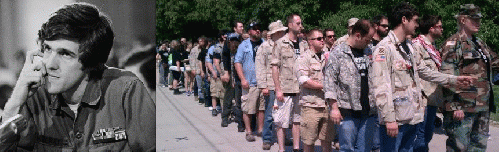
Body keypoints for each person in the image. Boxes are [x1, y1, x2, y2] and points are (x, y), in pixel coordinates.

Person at [0, 3, 155, 151]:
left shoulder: (126, 90)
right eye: (47, 49)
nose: (49, 63)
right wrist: (14, 103)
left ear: (91, 61)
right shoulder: (34, 97)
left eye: (65, 54)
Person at [370, 2, 473, 151]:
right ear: (404, 20)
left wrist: (454, 80)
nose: (417, 25)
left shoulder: (409, 47)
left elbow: (425, 72)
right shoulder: (384, 48)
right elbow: (380, 87)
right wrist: (389, 119)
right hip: (396, 120)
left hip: (412, 116)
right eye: (415, 21)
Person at [439, 4, 499, 151]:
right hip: (462, 108)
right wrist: (454, 106)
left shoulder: (479, 43)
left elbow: (495, 62)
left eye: (479, 20)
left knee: (478, 147)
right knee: (459, 147)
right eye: (474, 19)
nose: (478, 23)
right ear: (463, 20)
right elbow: (447, 77)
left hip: (482, 106)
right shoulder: (453, 44)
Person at [325, 19, 377, 152]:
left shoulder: (369, 51)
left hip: (369, 110)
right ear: (358, 35)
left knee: (365, 148)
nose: (370, 42)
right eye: (368, 39)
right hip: (347, 111)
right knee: (347, 148)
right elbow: (330, 82)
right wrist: (334, 108)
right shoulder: (338, 53)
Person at [271, 13, 309, 152]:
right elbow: (275, 67)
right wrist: (278, 89)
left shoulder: (303, 44)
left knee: (297, 121)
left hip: (300, 89)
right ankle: (282, 149)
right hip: (285, 89)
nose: (300, 25)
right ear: (290, 25)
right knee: (281, 122)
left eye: (300, 23)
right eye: (298, 23)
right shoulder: (280, 43)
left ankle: (296, 148)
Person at [296, 28, 335, 152]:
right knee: (309, 142)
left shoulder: (329, 56)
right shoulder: (303, 58)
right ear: (310, 41)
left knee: (327, 140)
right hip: (311, 106)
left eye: (322, 38)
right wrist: (325, 86)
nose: (322, 40)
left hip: (327, 105)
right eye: (318, 38)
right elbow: (304, 80)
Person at [411, 15, 444, 152]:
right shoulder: (417, 45)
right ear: (431, 28)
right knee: (421, 138)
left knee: (427, 135)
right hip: (422, 100)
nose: (442, 29)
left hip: (432, 99)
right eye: (440, 26)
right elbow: (416, 73)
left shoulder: (433, 47)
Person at [255, 20, 287, 150]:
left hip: (285, 84)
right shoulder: (264, 47)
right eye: (280, 32)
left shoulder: (285, 45)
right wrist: (263, 85)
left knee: (285, 114)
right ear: (274, 33)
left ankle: (284, 139)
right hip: (270, 84)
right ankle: (267, 138)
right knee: (269, 113)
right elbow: (260, 67)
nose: (282, 33)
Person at [235, 22, 265, 142]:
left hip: (263, 83)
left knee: (261, 108)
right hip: (249, 82)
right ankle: (248, 132)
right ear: (249, 31)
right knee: (247, 108)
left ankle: (260, 130)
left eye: (259, 29)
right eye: (255, 29)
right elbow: (238, 62)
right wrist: (242, 79)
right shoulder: (243, 45)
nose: (258, 31)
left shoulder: (264, 44)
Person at [221, 21, 245, 131]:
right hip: (230, 72)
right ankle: (225, 117)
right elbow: (225, 57)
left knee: (240, 99)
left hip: (240, 73)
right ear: (235, 28)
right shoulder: (229, 39)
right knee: (228, 97)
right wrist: (226, 72)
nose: (242, 28)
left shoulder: (244, 40)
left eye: (242, 26)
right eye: (240, 26)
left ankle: (241, 122)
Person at [207, 31, 227, 116]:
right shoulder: (213, 48)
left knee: (223, 93)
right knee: (214, 92)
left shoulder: (228, 47)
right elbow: (208, 62)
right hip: (216, 74)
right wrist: (212, 72)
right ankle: (214, 108)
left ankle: (224, 110)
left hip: (224, 74)